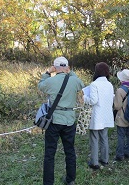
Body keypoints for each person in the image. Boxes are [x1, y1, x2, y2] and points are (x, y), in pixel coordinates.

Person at [38, 56, 84, 185]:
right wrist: (71, 72)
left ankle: (48, 183)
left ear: (55, 67)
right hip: (69, 120)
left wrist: (47, 72)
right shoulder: (74, 80)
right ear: (67, 67)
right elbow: (81, 84)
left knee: (49, 153)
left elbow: (41, 86)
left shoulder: (51, 81)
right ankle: (70, 179)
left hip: (54, 120)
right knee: (69, 151)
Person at [83, 62, 115, 170]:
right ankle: (105, 159)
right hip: (106, 114)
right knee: (104, 138)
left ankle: (94, 162)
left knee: (94, 138)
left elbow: (93, 100)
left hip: (97, 115)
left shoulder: (94, 84)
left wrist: (84, 98)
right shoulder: (109, 84)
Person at [113, 69, 129, 161]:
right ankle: (128, 152)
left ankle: (120, 154)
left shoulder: (120, 90)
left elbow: (117, 106)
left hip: (122, 116)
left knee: (121, 136)